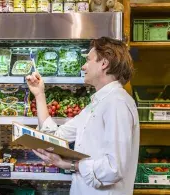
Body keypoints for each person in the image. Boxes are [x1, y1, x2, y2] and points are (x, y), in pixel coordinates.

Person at [26, 37, 139, 195]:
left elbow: (113, 168)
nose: (83, 66)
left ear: (104, 63)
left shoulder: (117, 103)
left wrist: (68, 164)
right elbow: (56, 135)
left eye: (88, 60)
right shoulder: (97, 103)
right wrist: (39, 94)